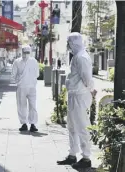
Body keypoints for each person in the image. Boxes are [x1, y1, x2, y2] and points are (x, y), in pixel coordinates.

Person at [57, 32, 97, 169]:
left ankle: (86, 158)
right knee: (72, 126)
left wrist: (92, 90)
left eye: (69, 43)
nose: (68, 45)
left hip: (80, 95)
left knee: (82, 126)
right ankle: (72, 155)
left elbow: (87, 77)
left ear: (74, 43)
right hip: (74, 95)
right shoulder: (77, 57)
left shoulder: (81, 57)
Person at [12, 45, 39, 132]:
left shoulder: (34, 61)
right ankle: (24, 124)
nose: (26, 54)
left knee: (33, 106)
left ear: (30, 52)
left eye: (28, 52)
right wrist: (19, 82)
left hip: (32, 87)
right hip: (21, 87)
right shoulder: (17, 62)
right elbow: (13, 74)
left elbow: (37, 74)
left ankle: (32, 124)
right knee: (21, 106)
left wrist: (32, 80)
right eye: (25, 52)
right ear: (22, 52)